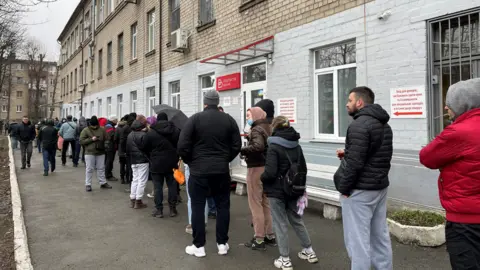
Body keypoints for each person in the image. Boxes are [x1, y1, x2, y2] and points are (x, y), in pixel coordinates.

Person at [419, 78, 480, 269]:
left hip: (465, 223)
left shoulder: (458, 132)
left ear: (463, 104)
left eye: (450, 104)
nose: (446, 108)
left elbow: (427, 157)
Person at [334, 86, 393, 270]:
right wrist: (349, 153)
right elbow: (377, 155)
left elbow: (355, 164)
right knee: (380, 237)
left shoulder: (358, 125)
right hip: (379, 187)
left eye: (350, 101)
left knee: (357, 242)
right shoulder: (385, 124)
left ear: (359, 102)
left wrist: (344, 189)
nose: (347, 104)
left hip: (359, 190)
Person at [178, 90, 242, 257]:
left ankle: (199, 246)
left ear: (205, 102)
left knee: (198, 206)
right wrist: (224, 159)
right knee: (223, 206)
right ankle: (222, 244)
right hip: (221, 171)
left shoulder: (195, 119)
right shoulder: (228, 119)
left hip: (199, 171)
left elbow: (182, 145)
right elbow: (237, 145)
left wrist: (191, 162)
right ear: (217, 102)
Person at [261, 116, 318, 269]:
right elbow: (303, 168)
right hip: (294, 189)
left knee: (280, 224)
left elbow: (270, 172)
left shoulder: (273, 146)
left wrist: (262, 178)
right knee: (296, 220)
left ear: (275, 127)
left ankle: (285, 259)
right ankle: (309, 251)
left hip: (277, 191)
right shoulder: (296, 145)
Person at [241, 107, 276, 250]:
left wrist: (242, 150)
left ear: (255, 116)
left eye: (248, 115)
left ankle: (259, 239)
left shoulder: (256, 129)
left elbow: (258, 146)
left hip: (256, 169)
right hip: (267, 168)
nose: (247, 118)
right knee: (265, 203)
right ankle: (270, 235)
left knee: (255, 204)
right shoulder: (268, 127)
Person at [143, 112, 180, 218]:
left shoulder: (151, 132)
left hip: (156, 163)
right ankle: (173, 209)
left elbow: (144, 147)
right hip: (172, 162)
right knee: (172, 186)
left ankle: (159, 210)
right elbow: (181, 145)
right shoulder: (176, 131)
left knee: (158, 187)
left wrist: (151, 157)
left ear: (157, 120)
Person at [79, 116, 113, 192]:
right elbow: (81, 141)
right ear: (90, 124)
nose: (95, 127)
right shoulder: (86, 130)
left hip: (101, 151)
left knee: (101, 168)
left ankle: (103, 182)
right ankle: (88, 184)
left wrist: (106, 144)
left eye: (96, 125)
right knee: (89, 169)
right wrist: (91, 139)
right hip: (90, 152)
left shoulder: (102, 129)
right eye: (93, 125)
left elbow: (107, 138)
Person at [126, 119, 149, 209]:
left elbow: (127, 149)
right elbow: (146, 148)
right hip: (142, 160)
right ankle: (138, 201)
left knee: (135, 179)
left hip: (133, 159)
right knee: (142, 181)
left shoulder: (129, 135)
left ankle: (132, 199)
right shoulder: (144, 135)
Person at [119, 113, 136, 193]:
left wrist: (123, 151)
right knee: (130, 169)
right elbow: (122, 140)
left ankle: (131, 184)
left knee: (130, 168)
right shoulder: (129, 128)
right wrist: (123, 151)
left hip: (128, 151)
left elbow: (122, 140)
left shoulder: (126, 127)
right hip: (129, 151)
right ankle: (131, 184)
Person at [115, 115, 129, 184]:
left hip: (121, 148)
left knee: (122, 164)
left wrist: (119, 145)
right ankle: (127, 178)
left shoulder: (118, 128)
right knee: (128, 164)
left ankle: (122, 178)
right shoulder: (129, 127)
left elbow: (115, 139)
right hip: (128, 148)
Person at [105, 115, 118, 181]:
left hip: (109, 146)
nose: (117, 121)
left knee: (109, 160)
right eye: (116, 120)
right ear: (113, 120)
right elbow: (112, 136)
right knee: (109, 161)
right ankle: (108, 175)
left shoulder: (109, 125)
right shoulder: (109, 126)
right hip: (110, 146)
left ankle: (108, 174)